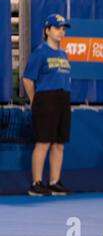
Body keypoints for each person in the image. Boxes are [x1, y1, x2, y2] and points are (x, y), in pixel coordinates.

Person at [22, 14, 72, 197]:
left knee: (59, 143)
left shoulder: (63, 54)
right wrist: (36, 99)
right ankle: (36, 182)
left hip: (63, 98)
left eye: (63, 29)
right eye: (58, 28)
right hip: (46, 99)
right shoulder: (40, 52)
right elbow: (28, 79)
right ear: (47, 30)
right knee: (43, 141)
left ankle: (54, 181)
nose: (61, 32)